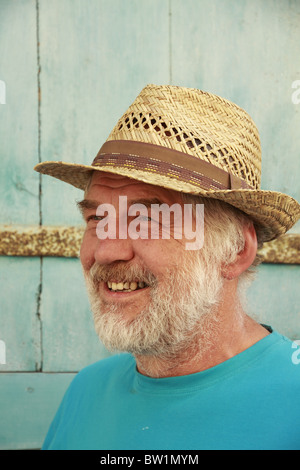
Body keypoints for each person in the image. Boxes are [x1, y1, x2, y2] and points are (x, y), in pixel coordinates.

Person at [35, 84, 300, 450]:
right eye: (97, 217)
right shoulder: (86, 391)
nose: (107, 250)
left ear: (236, 250)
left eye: (146, 219)